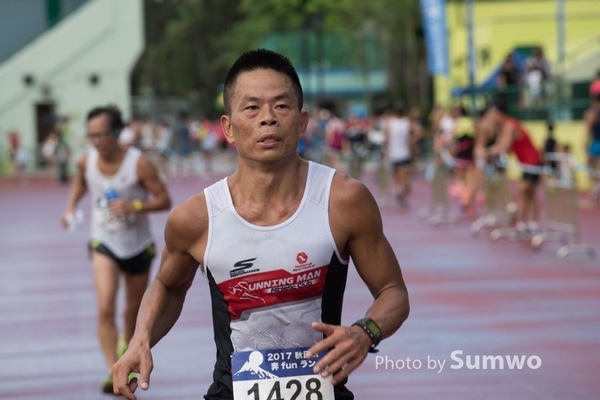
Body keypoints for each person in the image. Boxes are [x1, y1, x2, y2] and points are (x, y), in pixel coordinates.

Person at [112, 49, 410, 400]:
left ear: (302, 121)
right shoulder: (197, 218)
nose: (268, 118)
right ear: (228, 127)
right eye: (252, 108)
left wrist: (365, 332)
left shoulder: (343, 200)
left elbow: (393, 292)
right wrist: (140, 339)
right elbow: (168, 285)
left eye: (281, 106)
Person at [60, 105, 172, 393]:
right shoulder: (86, 162)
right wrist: (71, 207)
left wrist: (135, 205)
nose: (97, 141)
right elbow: (81, 183)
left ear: (117, 133)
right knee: (106, 305)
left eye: (102, 134)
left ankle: (126, 346)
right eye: (92, 135)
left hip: (138, 244)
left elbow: (164, 200)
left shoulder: (138, 164)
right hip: (104, 240)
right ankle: (113, 370)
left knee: (132, 311)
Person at [485, 102, 543, 233]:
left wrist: (487, 152)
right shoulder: (504, 127)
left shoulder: (510, 125)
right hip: (526, 163)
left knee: (524, 192)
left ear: (501, 114)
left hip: (532, 162)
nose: (492, 117)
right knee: (529, 193)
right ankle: (529, 223)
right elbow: (505, 146)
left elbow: (504, 146)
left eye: (494, 114)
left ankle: (524, 223)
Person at [584, 93, 600, 203]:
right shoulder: (592, 113)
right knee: (591, 169)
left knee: (595, 170)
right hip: (595, 143)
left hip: (596, 143)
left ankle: (595, 194)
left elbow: (588, 129)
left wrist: (585, 143)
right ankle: (595, 192)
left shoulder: (591, 113)